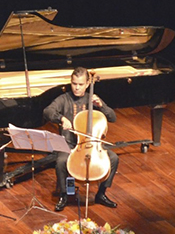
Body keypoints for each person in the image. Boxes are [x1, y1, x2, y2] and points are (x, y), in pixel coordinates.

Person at [43, 66, 119, 211]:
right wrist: (61, 118)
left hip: (92, 145)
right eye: (74, 84)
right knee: (61, 161)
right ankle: (65, 195)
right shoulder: (64, 99)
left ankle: (101, 193)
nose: (77, 88)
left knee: (114, 158)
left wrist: (101, 106)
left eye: (80, 84)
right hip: (70, 144)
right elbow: (47, 111)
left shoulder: (93, 100)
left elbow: (112, 117)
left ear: (87, 84)